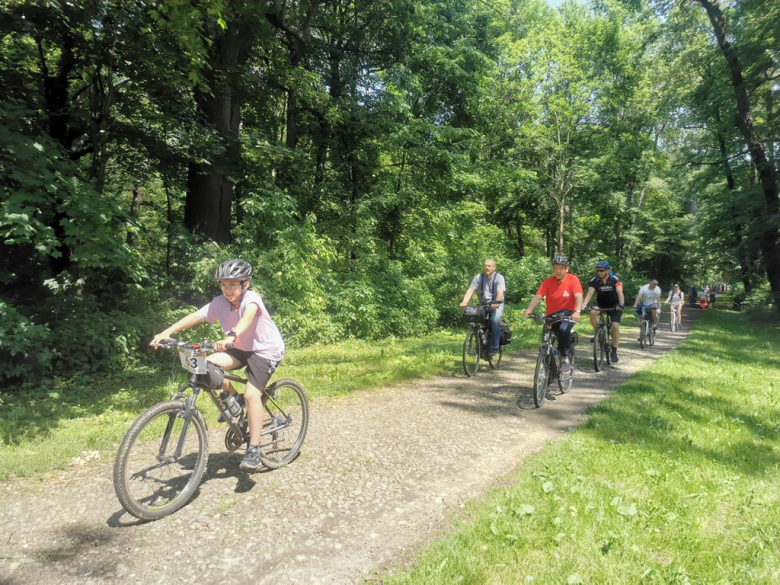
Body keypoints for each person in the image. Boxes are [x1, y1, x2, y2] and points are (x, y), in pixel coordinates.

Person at [150, 259, 285, 472]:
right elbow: (196, 316)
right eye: (223, 285)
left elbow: (248, 317)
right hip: (240, 346)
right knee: (205, 365)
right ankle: (235, 400)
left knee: (253, 395)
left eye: (232, 284)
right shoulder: (218, 302)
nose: (227, 289)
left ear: (245, 284)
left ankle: (254, 450)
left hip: (265, 350)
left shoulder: (252, 298)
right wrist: (168, 332)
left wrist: (232, 334)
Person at [522, 255, 583, 373]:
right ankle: (548, 371)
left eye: (561, 268)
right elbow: (538, 297)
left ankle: (565, 358)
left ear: (567, 269)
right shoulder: (547, 282)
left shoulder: (572, 279)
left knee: (564, 329)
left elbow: (578, 296)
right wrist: (529, 309)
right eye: (555, 268)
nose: (558, 271)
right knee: (545, 339)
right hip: (551, 315)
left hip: (568, 314)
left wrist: (578, 311)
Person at [460, 259, 506, 357]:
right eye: (485, 266)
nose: (487, 268)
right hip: (483, 304)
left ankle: (494, 347)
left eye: (489, 266)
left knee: (495, 320)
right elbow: (470, 290)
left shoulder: (499, 278)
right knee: (474, 319)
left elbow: (500, 292)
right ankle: (480, 342)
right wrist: (464, 302)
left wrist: (497, 303)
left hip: (496, 304)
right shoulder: (478, 277)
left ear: (494, 267)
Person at [582, 260, 624, 363]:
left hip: (615, 304)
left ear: (607, 271)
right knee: (592, 312)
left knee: (615, 326)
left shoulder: (615, 278)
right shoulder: (594, 280)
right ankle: (598, 333)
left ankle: (614, 351)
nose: (599, 272)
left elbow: (620, 292)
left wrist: (621, 304)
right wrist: (584, 304)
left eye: (601, 270)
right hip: (601, 303)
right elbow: (590, 293)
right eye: (597, 270)